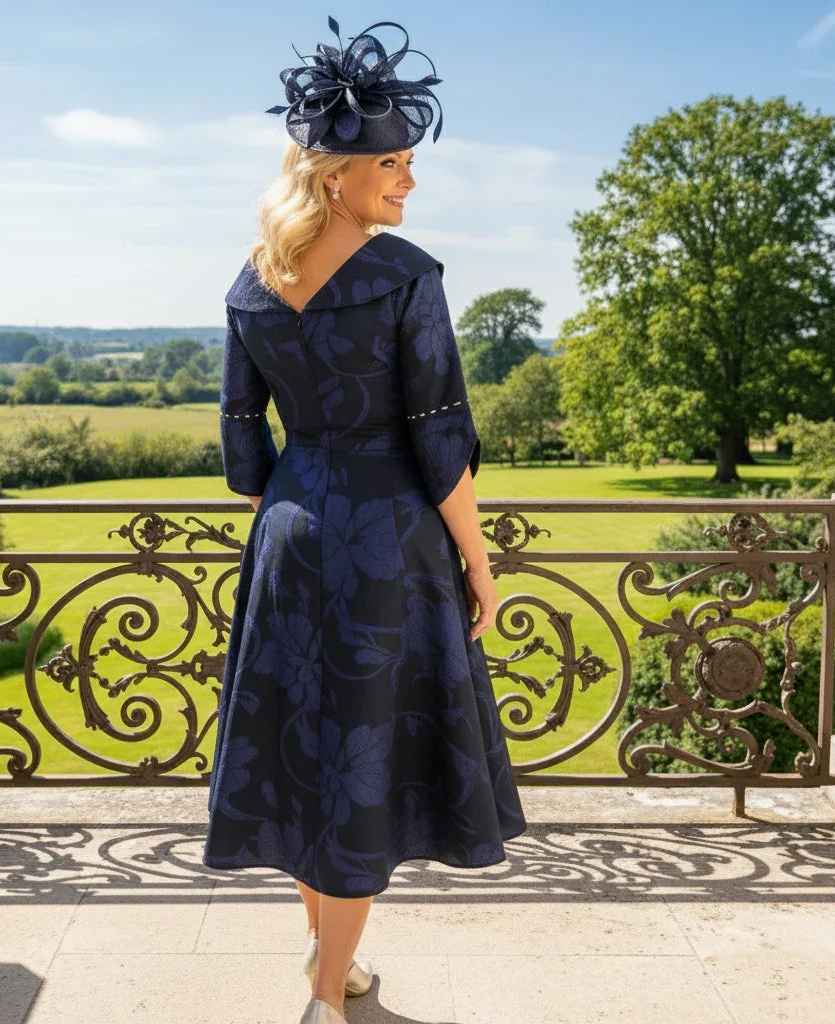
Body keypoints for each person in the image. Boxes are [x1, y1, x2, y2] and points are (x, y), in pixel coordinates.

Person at [201, 16, 527, 1024]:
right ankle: (324, 996)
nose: (408, 184)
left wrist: (292, 505)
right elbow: (441, 443)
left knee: (307, 753)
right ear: (335, 172)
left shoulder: (251, 282)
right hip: (388, 545)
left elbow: (239, 439)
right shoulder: (405, 278)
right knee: (363, 768)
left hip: (290, 535)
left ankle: (329, 965)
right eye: (392, 163)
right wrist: (477, 561)